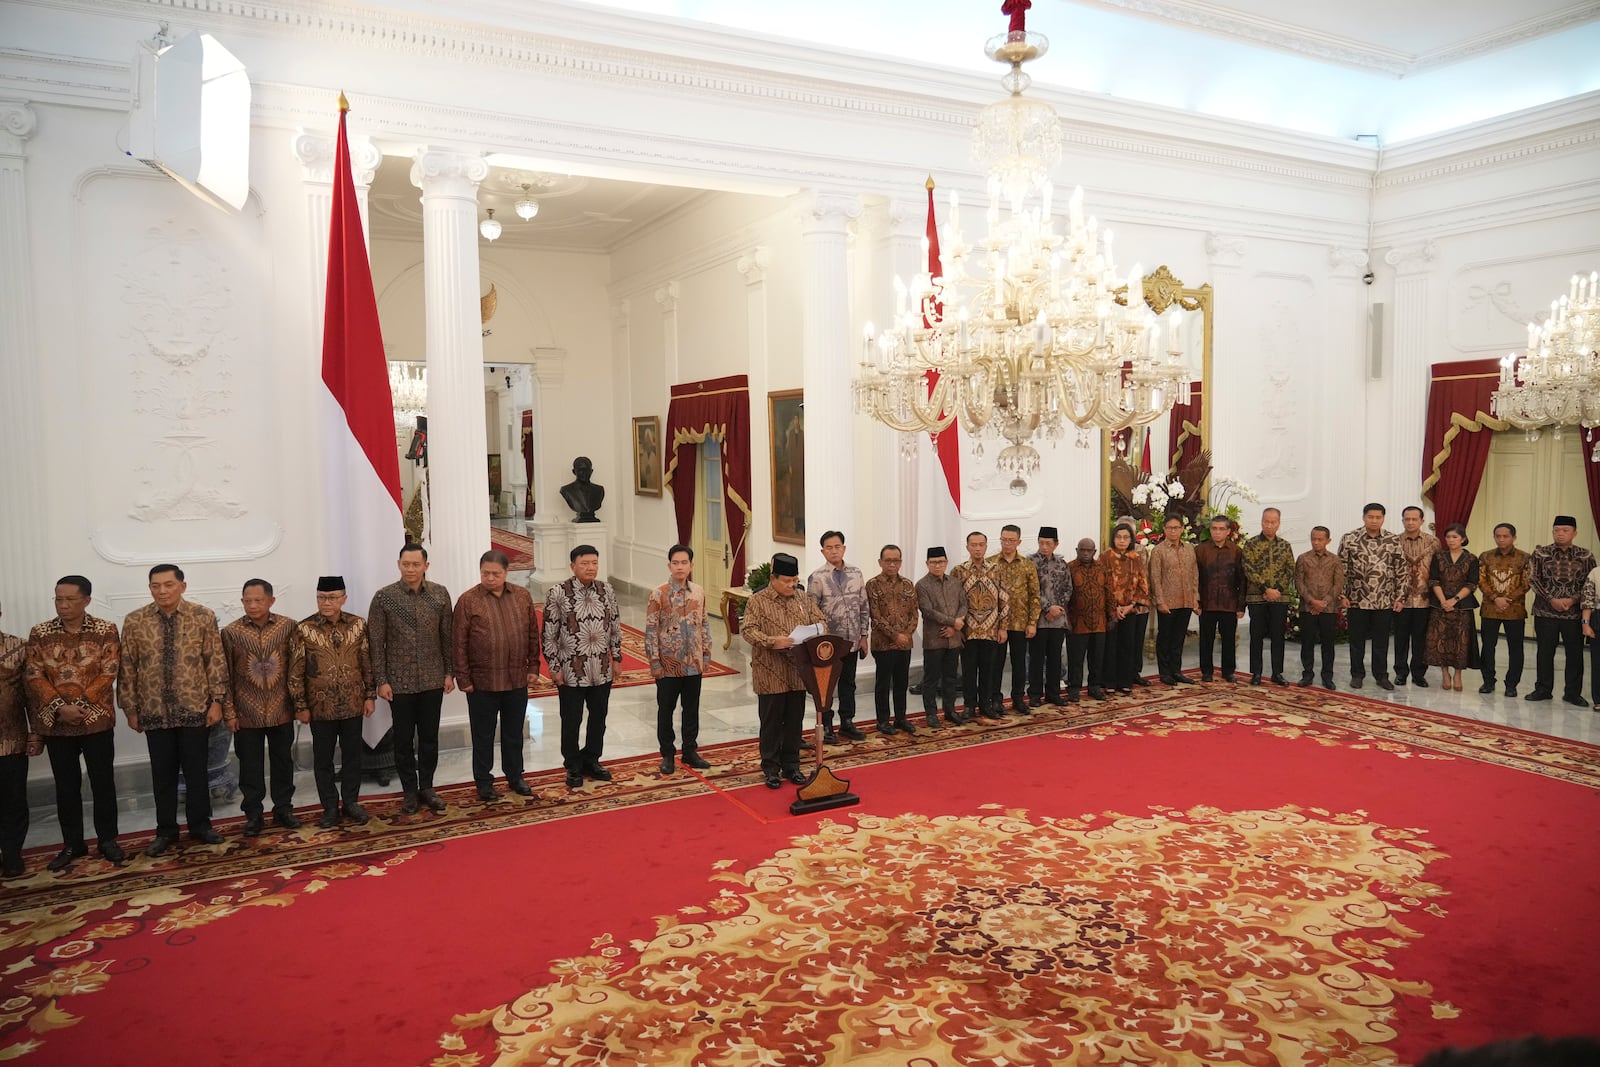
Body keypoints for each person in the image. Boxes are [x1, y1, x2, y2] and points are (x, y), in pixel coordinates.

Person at [119, 564, 228, 856]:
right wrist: (130, 708)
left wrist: (217, 701)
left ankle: (201, 826)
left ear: (182, 586)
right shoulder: (135, 620)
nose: (162, 591)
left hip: (195, 708)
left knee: (196, 773)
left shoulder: (202, 616)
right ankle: (166, 830)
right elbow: (127, 666)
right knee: (162, 775)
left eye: (168, 584)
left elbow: (214, 660)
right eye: (156, 585)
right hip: (154, 710)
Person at [24, 576, 121, 870]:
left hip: (96, 721)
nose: (63, 605)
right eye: (58, 599)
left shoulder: (106, 630)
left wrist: (78, 705)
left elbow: (109, 672)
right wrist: (59, 707)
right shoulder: (40, 633)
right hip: (57, 724)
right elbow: (34, 674)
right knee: (66, 786)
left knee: (103, 782)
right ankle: (72, 844)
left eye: (69, 599)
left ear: (86, 600)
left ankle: (107, 840)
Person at [368, 542, 454, 815]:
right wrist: (381, 680)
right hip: (399, 682)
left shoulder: (440, 595)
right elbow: (375, 642)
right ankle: (409, 791)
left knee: (429, 737)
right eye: (406, 564)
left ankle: (427, 786)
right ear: (398, 565)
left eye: (416, 564)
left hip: (432, 679)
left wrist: (449, 672)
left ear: (426, 566)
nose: (411, 569)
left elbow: (447, 638)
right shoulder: (384, 598)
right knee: (403, 739)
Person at [456, 550, 543, 798]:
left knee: (513, 733)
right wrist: (464, 679)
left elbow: (531, 635)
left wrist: (534, 667)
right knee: (482, 736)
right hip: (482, 683)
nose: (490, 578)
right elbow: (459, 643)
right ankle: (484, 782)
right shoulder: (468, 600)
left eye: (496, 574)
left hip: (516, 679)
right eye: (486, 573)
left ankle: (515, 776)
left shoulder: (522, 596)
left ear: (506, 573)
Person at [289, 576, 375, 828]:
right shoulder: (303, 628)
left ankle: (350, 802)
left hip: (352, 704)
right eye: (322, 597)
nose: (326, 602)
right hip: (319, 707)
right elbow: (295, 670)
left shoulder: (358, 625)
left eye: (332, 597)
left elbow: (367, 663)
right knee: (323, 759)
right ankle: (329, 806)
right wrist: (300, 706)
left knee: (352, 757)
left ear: (343, 598)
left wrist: (370, 696)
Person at [219, 579, 299, 837]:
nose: (252, 605)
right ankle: (253, 814)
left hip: (281, 709)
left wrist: (300, 705)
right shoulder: (231, 632)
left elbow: (297, 669)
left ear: (271, 601)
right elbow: (225, 676)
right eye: (247, 601)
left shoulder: (288, 627)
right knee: (250, 766)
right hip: (246, 713)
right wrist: (229, 713)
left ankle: (283, 808)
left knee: (283, 762)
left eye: (258, 600)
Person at [741, 552, 827, 788]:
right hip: (770, 671)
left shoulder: (802, 598)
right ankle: (770, 768)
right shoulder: (758, 601)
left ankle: (792, 766)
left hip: (798, 672)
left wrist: (814, 633)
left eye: (794, 580)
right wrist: (772, 641)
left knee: (794, 721)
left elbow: (821, 622)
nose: (792, 585)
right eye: (787, 581)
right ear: (773, 578)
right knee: (771, 722)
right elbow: (748, 630)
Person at [543, 544, 623, 788]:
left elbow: (615, 624)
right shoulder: (558, 593)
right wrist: (554, 667)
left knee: (599, 718)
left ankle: (592, 759)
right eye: (585, 563)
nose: (590, 568)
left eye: (594, 563)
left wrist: (617, 657)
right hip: (571, 671)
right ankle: (573, 765)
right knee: (571, 720)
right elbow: (549, 634)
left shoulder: (606, 590)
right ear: (572, 566)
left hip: (600, 669)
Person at [645, 544, 712, 774]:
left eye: (684, 563)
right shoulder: (658, 593)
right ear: (669, 565)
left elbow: (703, 622)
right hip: (668, 663)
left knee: (691, 708)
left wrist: (706, 653)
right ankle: (667, 753)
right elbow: (651, 629)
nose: (680, 567)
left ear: (691, 565)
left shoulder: (699, 592)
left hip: (694, 662)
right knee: (666, 709)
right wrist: (654, 662)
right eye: (676, 563)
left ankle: (690, 750)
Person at [807, 531, 870, 743]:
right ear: (823, 551)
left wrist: (863, 635)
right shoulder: (817, 578)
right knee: (827, 686)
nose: (834, 550)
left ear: (844, 548)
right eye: (829, 547)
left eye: (837, 546)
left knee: (848, 683)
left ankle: (847, 722)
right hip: (828, 643)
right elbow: (811, 612)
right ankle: (826, 725)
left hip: (851, 641)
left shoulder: (856, 572)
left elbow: (863, 606)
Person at [1527, 515, 1596, 707]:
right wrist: (1551, 599)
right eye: (1556, 530)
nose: (1560, 534)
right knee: (1544, 652)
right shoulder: (1541, 553)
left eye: (1565, 530)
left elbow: (1590, 583)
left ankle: (1573, 693)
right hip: (1545, 612)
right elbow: (1533, 579)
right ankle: (1543, 689)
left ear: (1574, 533)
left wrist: (1573, 599)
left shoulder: (1586, 555)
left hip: (1573, 614)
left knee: (1575, 654)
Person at [1338, 504, 1406, 691]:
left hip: (1384, 600)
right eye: (1370, 517)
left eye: (1378, 517)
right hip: (1356, 599)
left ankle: (1381, 675)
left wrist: (1400, 597)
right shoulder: (1350, 538)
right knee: (1356, 641)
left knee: (1381, 642)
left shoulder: (1392, 540)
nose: (1374, 520)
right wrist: (1342, 595)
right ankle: (1357, 675)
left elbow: (1401, 570)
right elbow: (1341, 570)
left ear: (1383, 518)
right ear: (1363, 517)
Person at [1, 601, 38, 879]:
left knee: (13, 801)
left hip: (10, 740)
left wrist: (35, 734)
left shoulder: (19, 648)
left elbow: (32, 697)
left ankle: (12, 853)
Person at [954, 531, 1008, 720]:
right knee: (968, 670)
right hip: (967, 630)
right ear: (967, 547)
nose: (977, 548)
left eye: (981, 545)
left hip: (991, 629)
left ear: (986, 546)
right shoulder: (958, 571)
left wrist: (1003, 627)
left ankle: (986, 704)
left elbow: (1004, 599)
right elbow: (954, 602)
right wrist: (956, 629)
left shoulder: (997, 569)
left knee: (988, 669)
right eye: (973, 545)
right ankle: (969, 705)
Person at [866, 544, 918, 735]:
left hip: (905, 643)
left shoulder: (908, 584)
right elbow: (875, 616)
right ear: (880, 562)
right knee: (883, 683)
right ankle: (882, 720)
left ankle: (901, 717)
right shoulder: (872, 585)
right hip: (883, 643)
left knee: (901, 682)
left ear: (901, 562)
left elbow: (914, 613)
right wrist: (896, 636)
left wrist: (906, 635)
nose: (892, 564)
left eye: (896, 560)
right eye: (888, 560)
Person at [1241, 508, 1296, 686]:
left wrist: (1277, 589)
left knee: (1278, 636)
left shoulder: (1285, 545)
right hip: (1257, 597)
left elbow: (1290, 570)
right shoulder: (1251, 544)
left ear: (1278, 524)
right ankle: (1256, 672)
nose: (1269, 525)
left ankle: (1276, 673)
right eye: (1266, 521)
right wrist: (1266, 588)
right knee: (1256, 636)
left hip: (1279, 598)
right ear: (1261, 521)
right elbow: (1248, 568)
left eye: (1273, 522)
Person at [989, 524, 1040, 714]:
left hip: (1020, 623)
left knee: (1019, 663)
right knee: (997, 663)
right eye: (1004, 539)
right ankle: (995, 698)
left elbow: (1035, 595)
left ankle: (1018, 697)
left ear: (1019, 542)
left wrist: (1032, 622)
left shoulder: (1027, 565)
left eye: (1011, 540)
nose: (1007, 544)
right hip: (996, 625)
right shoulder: (991, 563)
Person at [1477, 522, 1531, 696]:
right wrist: (1495, 598)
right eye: (1498, 536)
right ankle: (1488, 681)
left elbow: (1526, 584)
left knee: (1515, 648)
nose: (1501, 539)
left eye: (1505, 536)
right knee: (1487, 647)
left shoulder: (1524, 558)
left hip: (1514, 610)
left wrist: (1507, 599)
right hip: (1490, 609)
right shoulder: (1485, 556)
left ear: (1514, 537)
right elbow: (1481, 580)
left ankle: (1511, 684)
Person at [915, 546, 966, 728]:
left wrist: (955, 626)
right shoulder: (922, 585)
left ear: (946, 563)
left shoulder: (955, 582)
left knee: (950, 677)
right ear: (927, 564)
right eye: (933, 562)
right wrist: (954, 622)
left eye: (941, 562)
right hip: (934, 639)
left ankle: (950, 710)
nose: (938, 565)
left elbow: (963, 605)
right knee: (931, 678)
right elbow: (927, 611)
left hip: (953, 639)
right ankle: (931, 713)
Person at [1425, 523, 1480, 691]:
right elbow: (1434, 580)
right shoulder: (1439, 556)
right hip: (1439, 604)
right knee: (1440, 639)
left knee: (1460, 642)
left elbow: (1472, 583)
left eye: (1455, 537)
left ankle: (1458, 674)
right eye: (1448, 537)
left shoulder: (1471, 559)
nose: (1451, 540)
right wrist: (1443, 600)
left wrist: (1454, 600)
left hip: (1461, 605)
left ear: (1463, 539)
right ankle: (1444, 673)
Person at [1392, 506, 1440, 687]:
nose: (1410, 522)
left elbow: (1438, 570)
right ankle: (1401, 672)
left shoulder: (1433, 542)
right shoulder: (1394, 541)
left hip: (1424, 599)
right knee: (1400, 638)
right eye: (1407, 519)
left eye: (1414, 519)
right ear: (1402, 520)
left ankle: (1419, 674)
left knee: (1421, 638)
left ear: (1422, 521)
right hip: (1401, 600)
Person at [1194, 516, 1247, 683]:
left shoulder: (1236, 551)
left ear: (1228, 531)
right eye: (1214, 528)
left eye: (1221, 529)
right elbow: (1195, 578)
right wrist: (1196, 601)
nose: (1217, 532)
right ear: (1210, 530)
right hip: (1207, 603)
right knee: (1206, 639)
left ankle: (1228, 671)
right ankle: (1206, 671)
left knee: (1229, 639)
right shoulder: (1201, 550)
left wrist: (1240, 606)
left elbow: (1242, 580)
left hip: (1229, 603)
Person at [1147, 517, 1199, 686]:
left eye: (1176, 527)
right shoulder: (1158, 551)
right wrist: (1160, 601)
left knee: (1178, 638)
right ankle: (1165, 673)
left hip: (1185, 601)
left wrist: (1195, 598)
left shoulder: (1189, 549)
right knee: (1165, 639)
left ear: (1182, 529)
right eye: (1169, 528)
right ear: (1164, 529)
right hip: (1167, 602)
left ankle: (1176, 671)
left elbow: (1194, 575)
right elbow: (1155, 578)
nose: (1173, 531)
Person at [1103, 524, 1151, 694]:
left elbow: (1143, 586)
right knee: (1110, 646)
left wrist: (1130, 606)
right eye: (1118, 537)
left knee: (1127, 645)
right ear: (1113, 538)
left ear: (1131, 539)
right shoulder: (1105, 557)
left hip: (1130, 610)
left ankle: (1125, 681)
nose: (1122, 540)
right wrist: (1114, 608)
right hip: (1110, 611)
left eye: (1126, 537)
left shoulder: (1136, 558)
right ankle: (1109, 682)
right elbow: (1101, 585)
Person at [1295, 527, 1344, 689]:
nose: (1316, 542)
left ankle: (1327, 676)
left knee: (1328, 644)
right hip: (1307, 609)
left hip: (1328, 610)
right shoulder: (1303, 558)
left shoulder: (1335, 560)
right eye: (1313, 539)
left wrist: (1325, 602)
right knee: (1307, 642)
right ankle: (1307, 674)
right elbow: (1299, 583)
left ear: (1328, 541)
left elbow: (1338, 584)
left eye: (1320, 539)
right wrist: (1312, 601)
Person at [1028, 527, 1072, 707]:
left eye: (1048, 543)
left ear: (1056, 544)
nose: (1044, 546)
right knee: (1036, 658)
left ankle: (1054, 693)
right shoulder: (1030, 562)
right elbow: (1031, 590)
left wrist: (1058, 608)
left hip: (1058, 620)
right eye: (1041, 543)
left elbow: (1068, 588)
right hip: (1038, 619)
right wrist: (1047, 607)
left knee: (1055, 658)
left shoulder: (1062, 564)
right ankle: (1035, 694)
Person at [1065, 538, 1110, 702]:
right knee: (1075, 659)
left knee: (1097, 658)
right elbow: (1065, 597)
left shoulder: (1102, 569)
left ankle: (1094, 687)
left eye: (1088, 550)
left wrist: (1111, 616)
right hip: (1077, 623)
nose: (1085, 553)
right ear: (1076, 550)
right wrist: (1067, 621)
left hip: (1099, 622)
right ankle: (1074, 688)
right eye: (1082, 550)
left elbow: (1109, 593)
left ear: (1094, 552)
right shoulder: (1069, 568)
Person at [559, 456, 605, 522]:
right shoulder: (566, 490)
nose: (584, 473)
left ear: (591, 471)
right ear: (574, 472)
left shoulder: (599, 490)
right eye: (580, 470)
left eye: (587, 470)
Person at [1583, 561, 1600, 710]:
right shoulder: (1596, 573)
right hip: (1598, 619)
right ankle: (1599, 699)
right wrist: (1585, 623)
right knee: (1598, 662)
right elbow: (1588, 600)